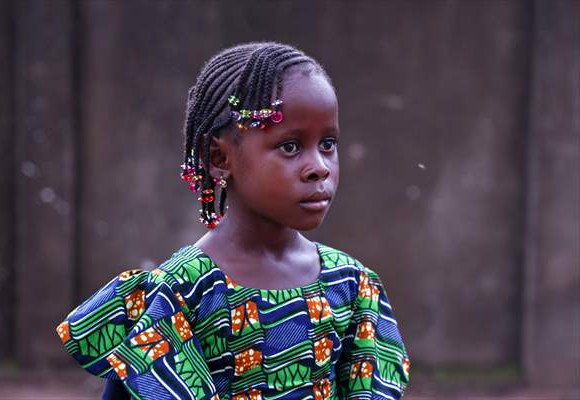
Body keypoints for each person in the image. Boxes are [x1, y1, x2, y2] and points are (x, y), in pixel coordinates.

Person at [56, 42, 410, 400]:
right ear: (219, 158)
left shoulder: (350, 284)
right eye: (290, 146)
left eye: (328, 143)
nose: (319, 166)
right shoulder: (183, 292)